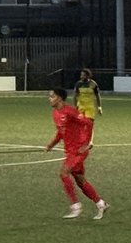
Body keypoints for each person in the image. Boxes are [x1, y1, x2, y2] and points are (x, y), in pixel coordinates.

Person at [45, 87, 108, 220]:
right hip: (70, 151)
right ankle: (101, 204)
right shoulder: (55, 113)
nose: (49, 99)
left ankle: (75, 206)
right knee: (80, 181)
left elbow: (89, 123)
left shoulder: (70, 111)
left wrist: (86, 144)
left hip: (79, 151)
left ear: (60, 98)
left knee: (63, 173)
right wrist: (51, 144)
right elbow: (60, 132)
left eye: (52, 96)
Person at [72, 68, 102, 149]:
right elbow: (75, 96)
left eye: (83, 75)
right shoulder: (78, 84)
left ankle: (90, 141)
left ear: (88, 76)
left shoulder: (93, 84)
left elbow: (97, 95)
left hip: (90, 107)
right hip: (81, 106)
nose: (81, 76)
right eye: (81, 75)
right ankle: (81, 140)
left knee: (90, 124)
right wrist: (75, 107)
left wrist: (99, 107)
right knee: (80, 125)